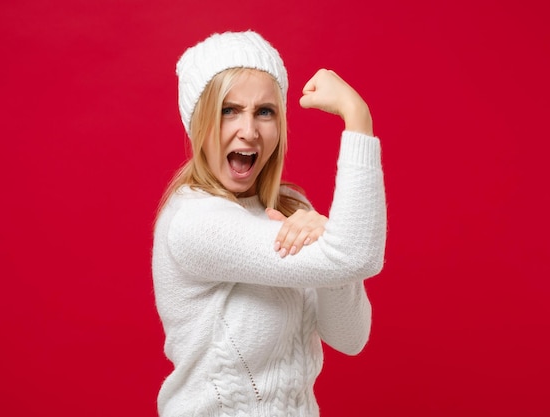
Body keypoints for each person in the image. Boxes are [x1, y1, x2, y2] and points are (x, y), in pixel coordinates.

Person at [152, 30, 387, 417]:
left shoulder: (292, 210)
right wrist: (357, 115)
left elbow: (350, 336)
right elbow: (356, 255)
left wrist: (325, 237)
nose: (249, 130)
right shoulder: (194, 221)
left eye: (265, 111)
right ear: (197, 124)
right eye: (228, 110)